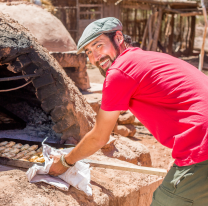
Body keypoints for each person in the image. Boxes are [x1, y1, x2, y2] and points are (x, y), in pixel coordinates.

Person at [49, 17, 208, 205]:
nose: (94, 57)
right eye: (88, 52)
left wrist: (65, 162)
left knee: (166, 200)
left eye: (98, 45)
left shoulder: (120, 72)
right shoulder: (145, 58)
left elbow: (100, 136)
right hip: (199, 145)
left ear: (118, 38)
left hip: (202, 147)